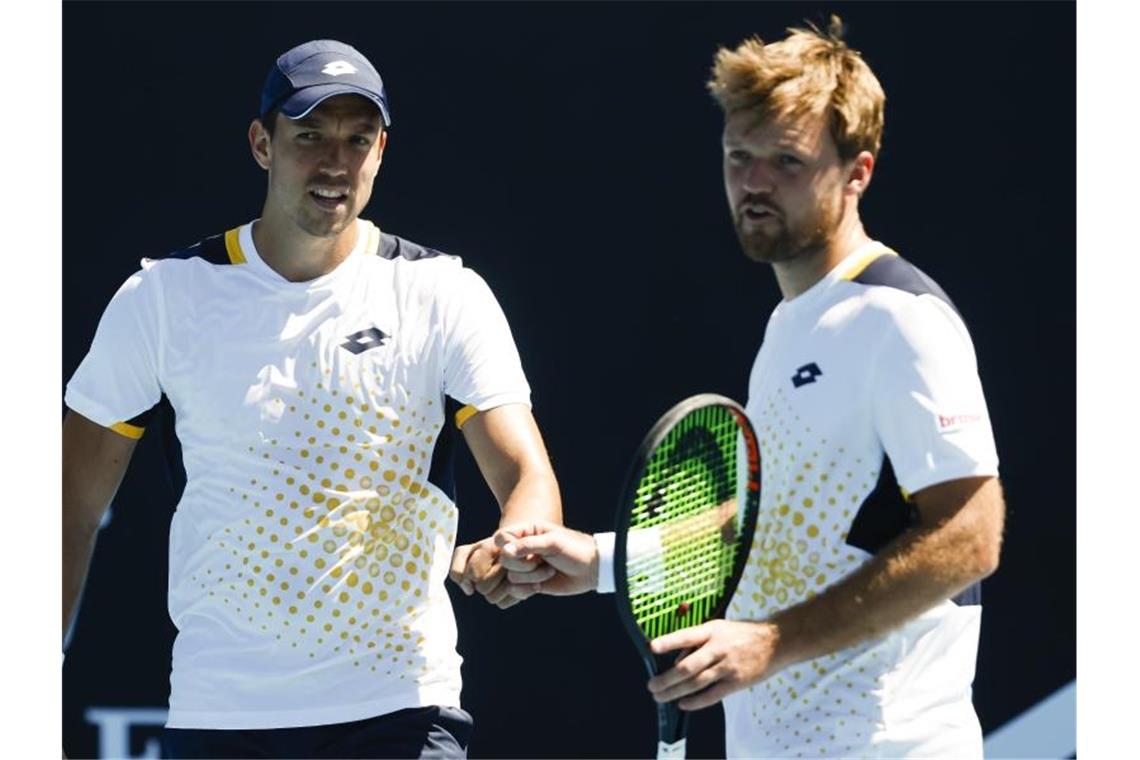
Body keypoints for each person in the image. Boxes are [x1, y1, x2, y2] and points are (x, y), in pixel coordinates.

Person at [474, 17, 1005, 759]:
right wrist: (603, 561)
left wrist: (772, 642)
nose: (754, 182)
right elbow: (784, 528)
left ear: (858, 173)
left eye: (787, 162)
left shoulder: (899, 319)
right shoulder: (791, 327)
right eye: (738, 156)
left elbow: (970, 537)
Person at [62, 39, 561, 759]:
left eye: (358, 140)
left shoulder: (444, 293)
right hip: (221, 718)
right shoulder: (165, 298)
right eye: (310, 137)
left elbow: (526, 476)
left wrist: (519, 540)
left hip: (402, 711)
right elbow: (69, 499)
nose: (335, 164)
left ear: (382, 150)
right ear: (262, 144)